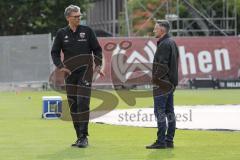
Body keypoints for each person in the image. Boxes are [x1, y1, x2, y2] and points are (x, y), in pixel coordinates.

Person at [51, 4, 104, 148]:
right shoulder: (61, 33)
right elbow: (54, 53)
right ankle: (79, 136)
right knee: (73, 104)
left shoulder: (87, 31)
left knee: (83, 102)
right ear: (68, 18)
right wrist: (61, 67)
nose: (79, 18)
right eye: (76, 17)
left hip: (86, 72)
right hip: (70, 74)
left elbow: (97, 50)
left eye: (80, 16)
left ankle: (84, 136)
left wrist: (98, 65)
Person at [146, 20, 179, 149]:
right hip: (170, 83)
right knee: (170, 112)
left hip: (162, 84)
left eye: (156, 29)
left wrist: (155, 78)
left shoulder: (164, 44)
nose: (154, 31)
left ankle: (161, 141)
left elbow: (162, 65)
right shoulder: (172, 42)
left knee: (159, 112)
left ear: (162, 30)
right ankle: (169, 140)